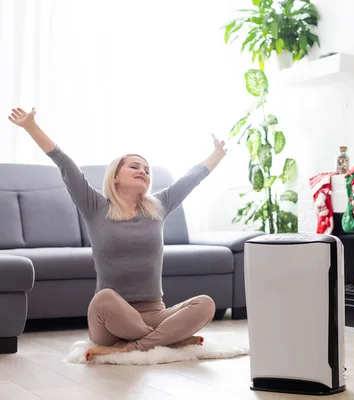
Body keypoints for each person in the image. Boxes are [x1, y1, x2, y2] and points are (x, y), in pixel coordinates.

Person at [8, 107, 226, 361]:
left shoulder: (159, 206)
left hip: (155, 311)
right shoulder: (95, 206)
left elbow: (192, 178)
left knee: (206, 304)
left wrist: (218, 154)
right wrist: (31, 126)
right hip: (111, 319)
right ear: (115, 176)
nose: (143, 171)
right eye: (135, 166)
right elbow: (65, 164)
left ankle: (135, 346)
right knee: (104, 298)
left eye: (147, 169)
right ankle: (167, 339)